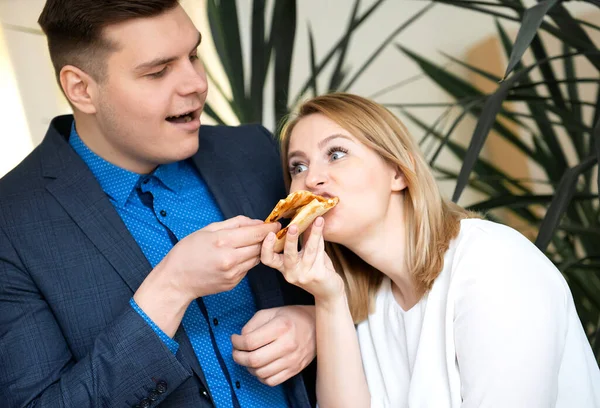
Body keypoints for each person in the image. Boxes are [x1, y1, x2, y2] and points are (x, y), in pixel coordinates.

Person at [0, 1, 317, 407]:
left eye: (194, 56)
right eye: (158, 71)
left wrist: (316, 324)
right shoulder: (10, 224)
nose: (196, 84)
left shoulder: (255, 152)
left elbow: (370, 286)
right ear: (81, 89)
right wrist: (171, 288)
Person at [261, 92, 600, 407]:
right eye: (298, 167)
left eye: (336, 154)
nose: (311, 179)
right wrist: (329, 300)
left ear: (398, 172)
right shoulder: (370, 303)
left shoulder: (492, 264)